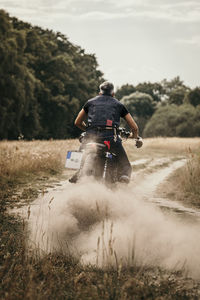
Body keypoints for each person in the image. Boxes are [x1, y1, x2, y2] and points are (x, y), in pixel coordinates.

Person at [71, 81, 143, 183]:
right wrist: (136, 138)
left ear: (100, 93)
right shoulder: (119, 105)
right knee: (126, 166)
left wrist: (89, 130)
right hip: (110, 138)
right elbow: (134, 127)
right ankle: (124, 176)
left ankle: (77, 173)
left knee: (79, 157)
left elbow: (77, 122)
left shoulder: (90, 102)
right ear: (113, 93)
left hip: (90, 137)